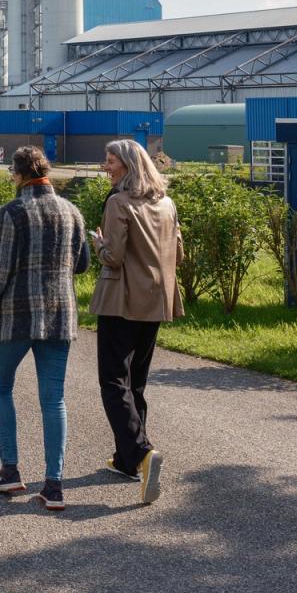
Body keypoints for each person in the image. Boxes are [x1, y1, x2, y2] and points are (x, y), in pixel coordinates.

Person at [0, 145, 90, 512]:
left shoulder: (13, 212)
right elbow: (82, 265)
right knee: (53, 399)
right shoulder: (72, 212)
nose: (11, 178)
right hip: (60, 316)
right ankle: (54, 485)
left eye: (11, 173)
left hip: (16, 316)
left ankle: (10, 470)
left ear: (20, 174)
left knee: (1, 388)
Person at [91, 138, 182, 506]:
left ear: (128, 165)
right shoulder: (167, 203)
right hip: (157, 299)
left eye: (111, 160)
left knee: (113, 380)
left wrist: (97, 243)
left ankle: (142, 453)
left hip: (121, 299)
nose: (106, 166)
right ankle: (128, 460)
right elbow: (177, 249)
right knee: (136, 382)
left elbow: (112, 257)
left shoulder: (118, 202)